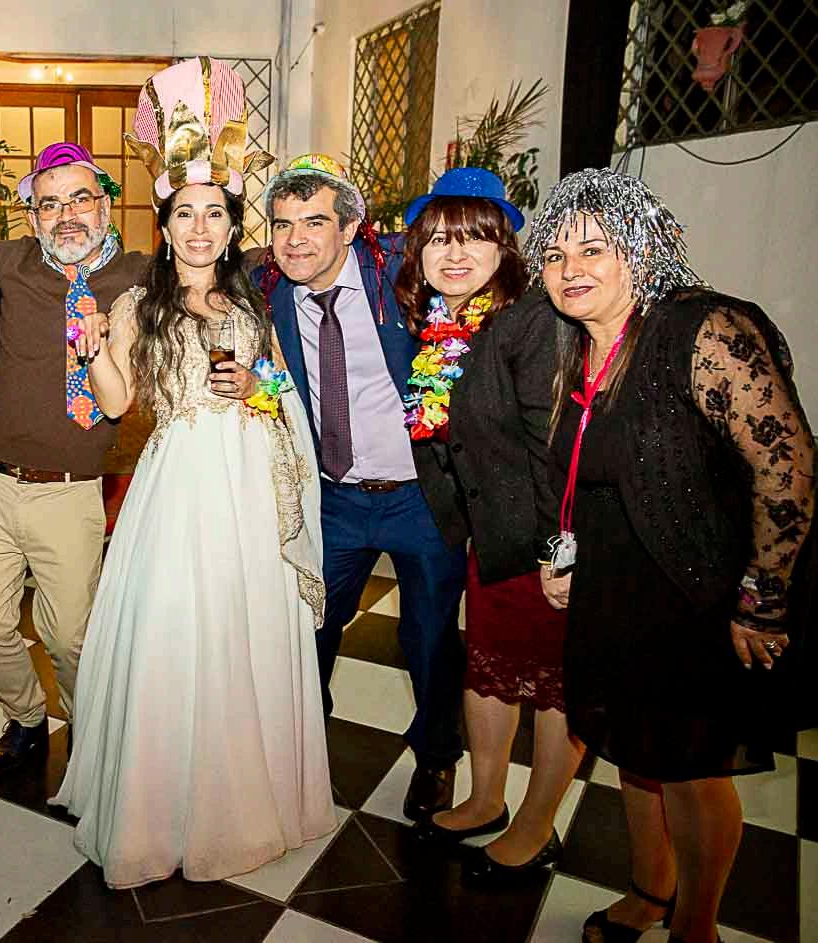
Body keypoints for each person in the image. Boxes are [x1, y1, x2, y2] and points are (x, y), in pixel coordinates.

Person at [51, 57, 333, 889]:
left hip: (249, 485)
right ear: (165, 224)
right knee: (175, 633)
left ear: (231, 225)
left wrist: (257, 388)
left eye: (214, 212)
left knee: (243, 632)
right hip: (177, 486)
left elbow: (280, 390)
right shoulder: (137, 304)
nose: (200, 227)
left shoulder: (252, 303)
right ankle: (159, 810)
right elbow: (113, 403)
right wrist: (92, 351)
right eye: (185, 213)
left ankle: (244, 800)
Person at [523, 168, 814, 943]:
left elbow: (786, 467)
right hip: (616, 589)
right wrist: (563, 555)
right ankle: (650, 890)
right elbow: (583, 472)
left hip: (698, 594)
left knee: (691, 770)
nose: (569, 268)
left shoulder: (702, 328)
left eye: (592, 248)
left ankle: (696, 925)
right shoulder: (580, 342)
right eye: (553, 255)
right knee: (636, 750)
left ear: (643, 250)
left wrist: (763, 598)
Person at [256, 155, 466, 822]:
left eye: (314, 222)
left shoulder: (403, 276)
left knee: (429, 636)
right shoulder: (268, 290)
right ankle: (301, 733)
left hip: (419, 495)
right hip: (334, 497)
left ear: (350, 228)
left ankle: (436, 755)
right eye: (282, 224)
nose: (295, 240)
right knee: (309, 622)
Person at [392, 168, 586, 879]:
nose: (454, 254)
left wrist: (559, 551)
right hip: (492, 535)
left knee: (553, 684)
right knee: (490, 671)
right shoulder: (440, 324)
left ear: (504, 248)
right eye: (439, 239)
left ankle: (535, 825)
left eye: (473, 238)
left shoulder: (530, 323)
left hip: (543, 541)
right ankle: (484, 799)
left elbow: (555, 447)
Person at [0, 142, 150, 774]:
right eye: (49, 205)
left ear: (105, 205)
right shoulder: (6, 261)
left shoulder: (143, 275)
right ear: (32, 215)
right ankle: (26, 717)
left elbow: (222, 264)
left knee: (70, 637)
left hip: (70, 490)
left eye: (79, 199)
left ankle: (89, 733)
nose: (66, 216)